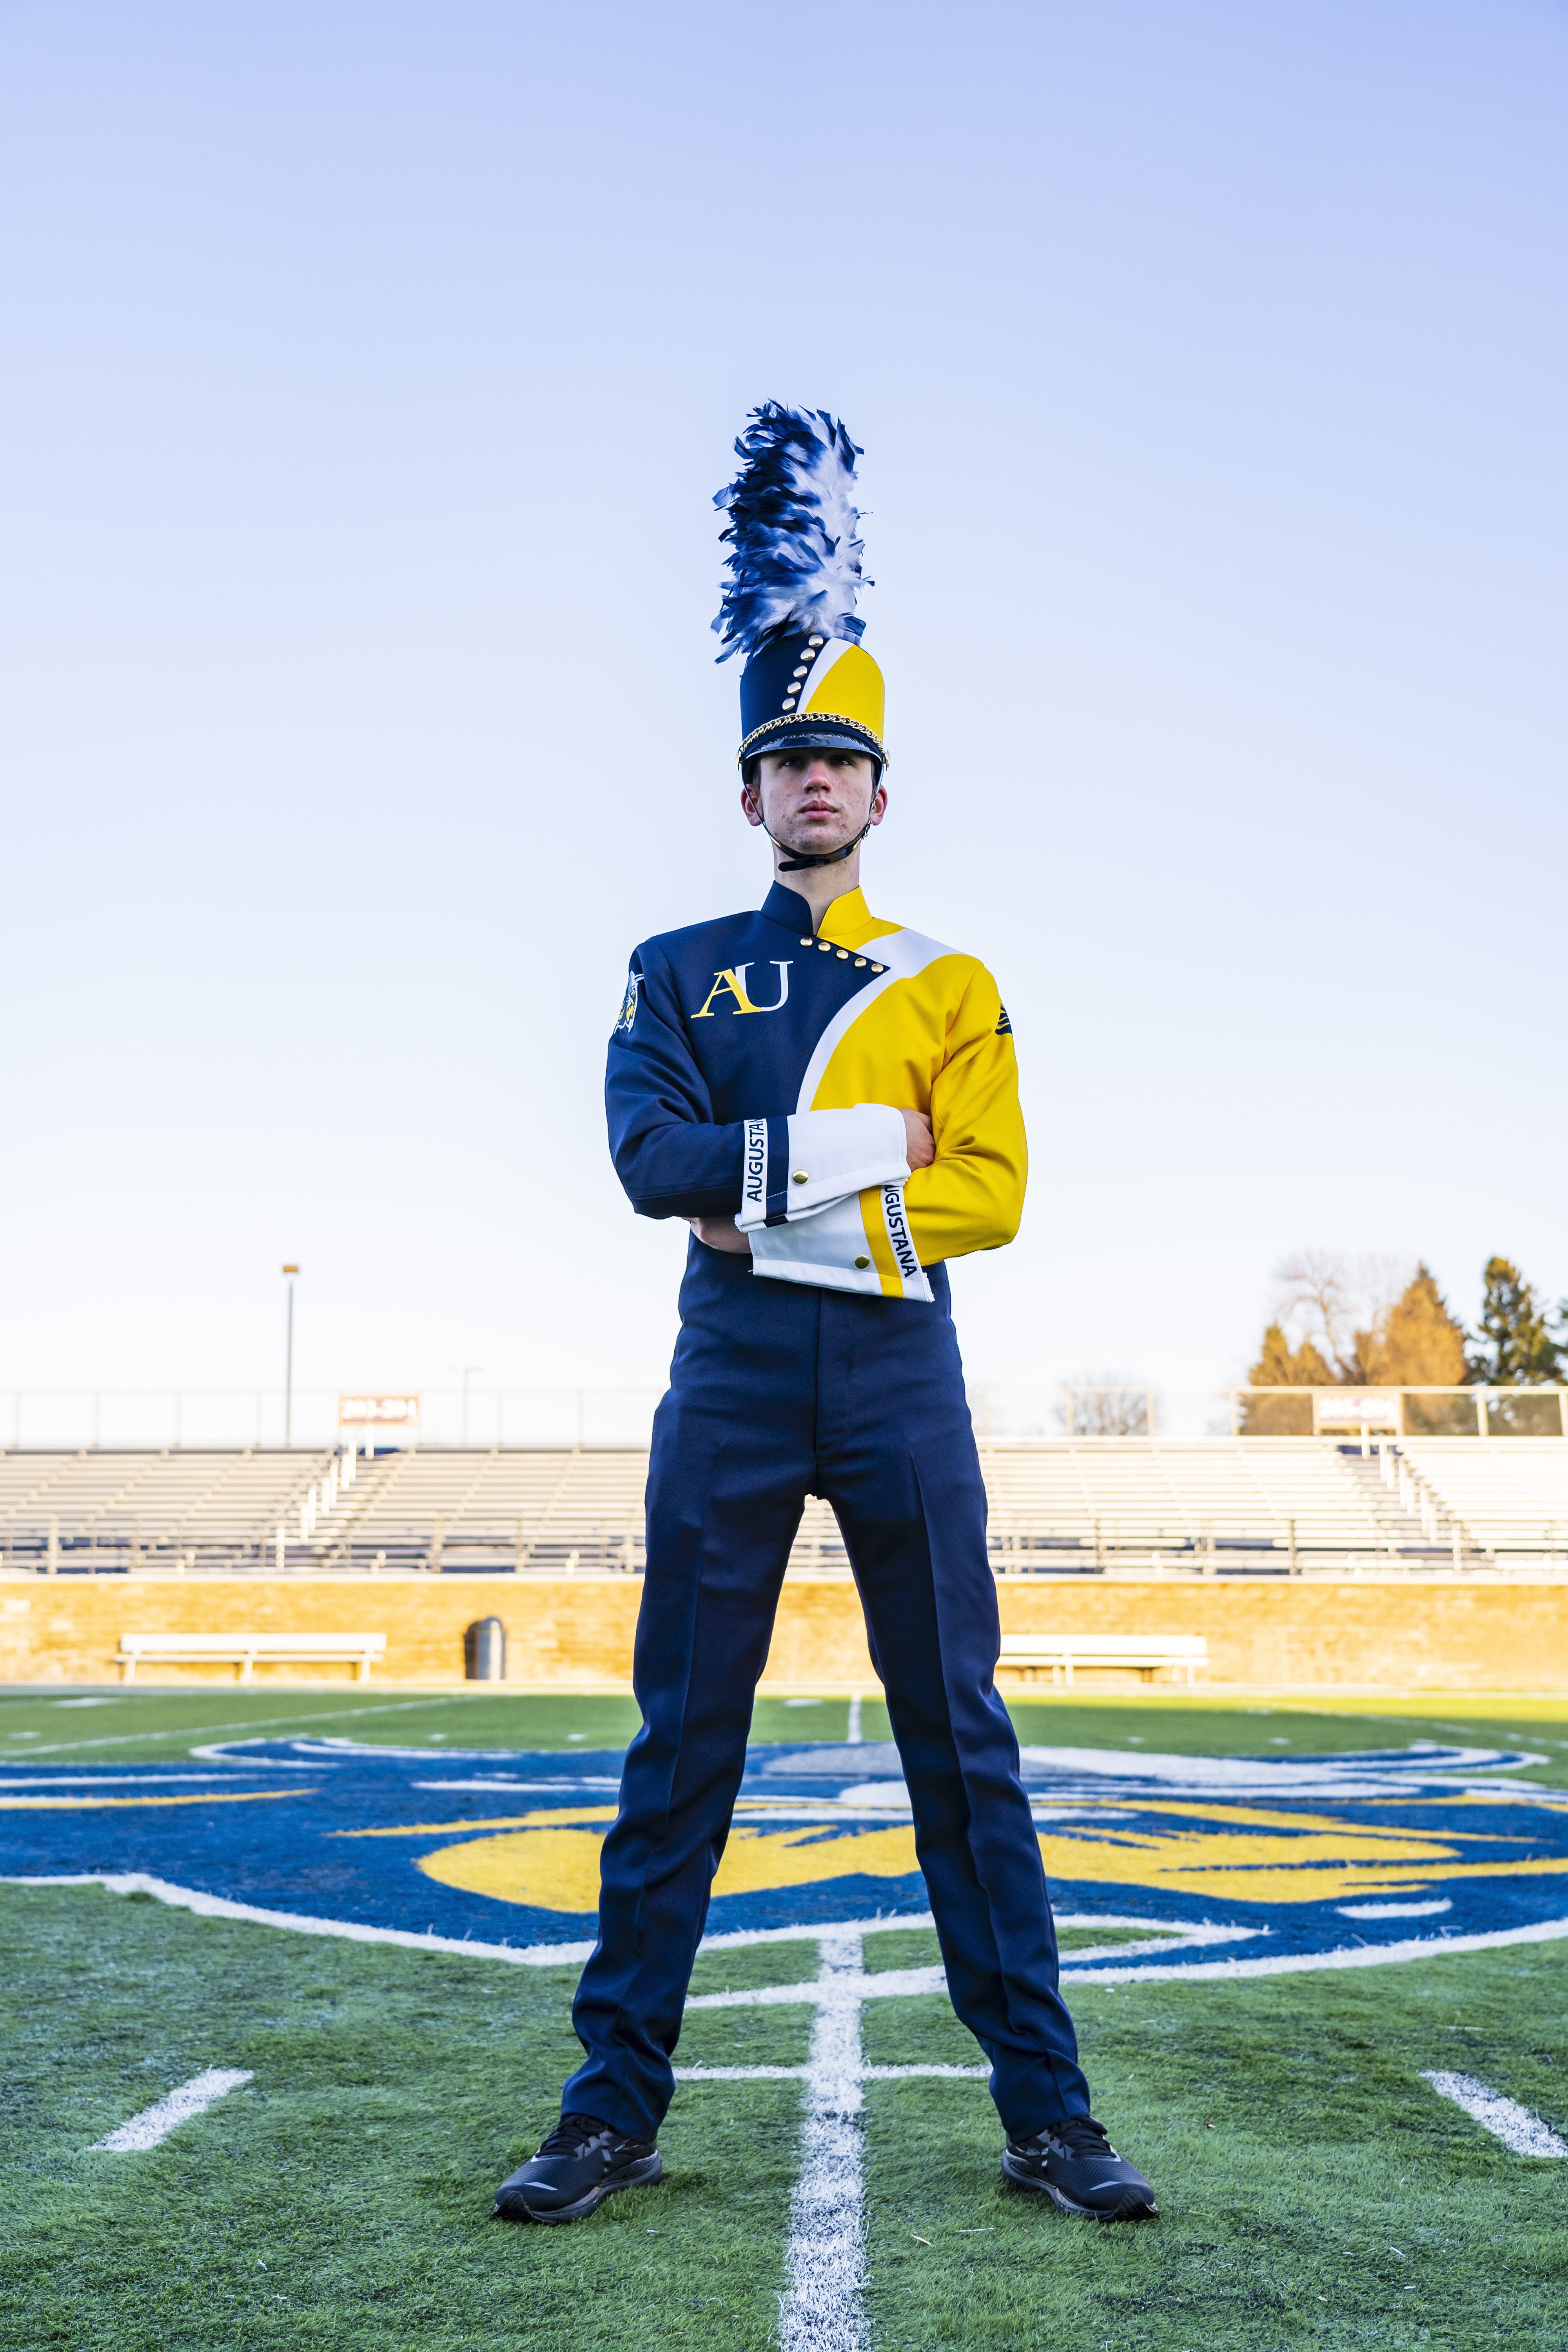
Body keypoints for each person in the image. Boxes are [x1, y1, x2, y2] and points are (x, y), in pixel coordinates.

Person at [494, 405, 1156, 2228]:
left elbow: (992, 1194)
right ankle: (609, 2109)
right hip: (725, 1386)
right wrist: (853, 1154)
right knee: (678, 1748)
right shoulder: (672, 967)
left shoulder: (951, 979)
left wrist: (767, 1189)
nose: (812, 783)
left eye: (841, 762)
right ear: (746, 790)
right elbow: (647, 1163)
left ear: (881, 794)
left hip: (891, 1367)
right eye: (786, 758)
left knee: (958, 1735)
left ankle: (1049, 2113)